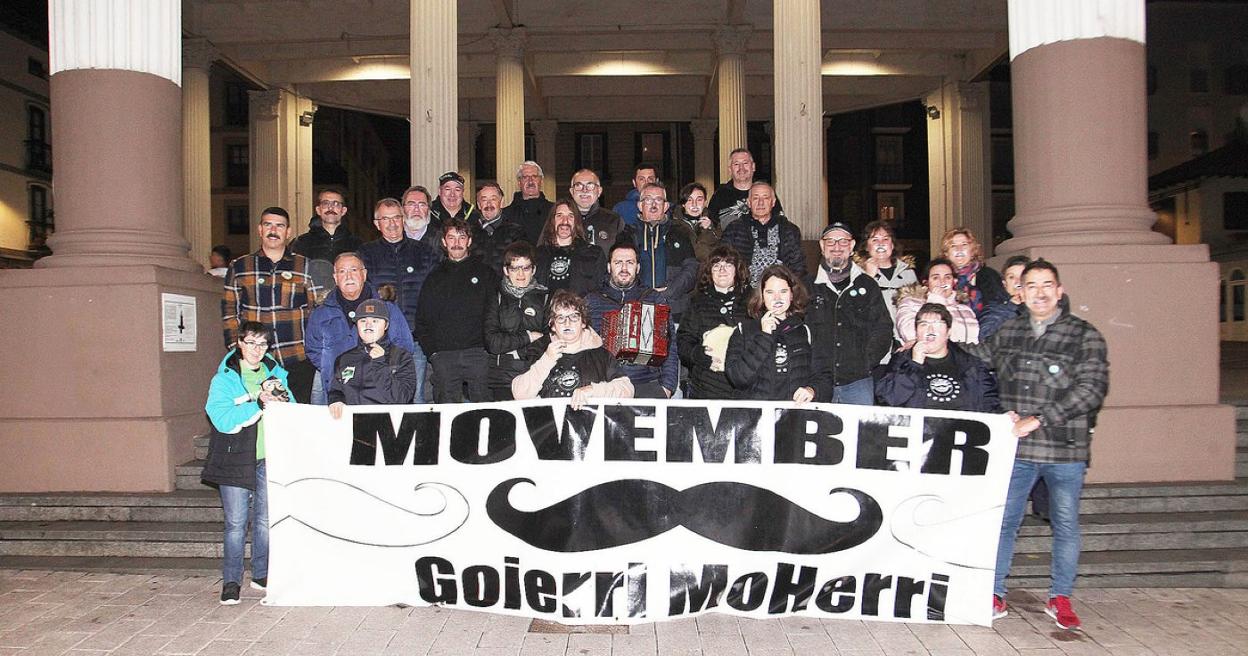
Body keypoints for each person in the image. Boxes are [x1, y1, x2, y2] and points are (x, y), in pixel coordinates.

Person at [967, 260, 1109, 630]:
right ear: (1020, 292)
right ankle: (994, 593)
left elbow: (1091, 390)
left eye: (1047, 285)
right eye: (1031, 285)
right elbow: (976, 361)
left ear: (1059, 291)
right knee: (1005, 522)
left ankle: (1060, 596)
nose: (1040, 292)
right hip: (1018, 451)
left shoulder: (1084, 334)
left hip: (1065, 449)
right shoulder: (1009, 332)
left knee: (1065, 523)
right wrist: (928, 343)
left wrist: (1040, 418)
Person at [202, 321, 291, 605]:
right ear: (239, 343)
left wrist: (285, 403)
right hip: (234, 457)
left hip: (269, 456)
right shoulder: (225, 379)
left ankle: (261, 574)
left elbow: (292, 409)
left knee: (265, 521)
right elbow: (221, 419)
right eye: (251, 342)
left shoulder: (276, 374)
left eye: (263, 344)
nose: (257, 349)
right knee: (236, 523)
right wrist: (257, 404)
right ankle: (231, 581)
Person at [222, 206, 320, 402]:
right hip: (256, 361)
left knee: (297, 421)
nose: (273, 230)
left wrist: (314, 351)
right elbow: (229, 313)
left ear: (288, 232)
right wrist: (238, 350)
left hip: (297, 360)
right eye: (268, 225)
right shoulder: (240, 266)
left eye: (280, 226)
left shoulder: (305, 266)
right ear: (260, 229)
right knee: (260, 420)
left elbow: (317, 311)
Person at [304, 252, 414, 405]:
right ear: (335, 277)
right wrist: (334, 368)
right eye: (342, 271)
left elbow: (404, 346)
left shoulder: (388, 309)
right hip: (337, 395)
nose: (348, 276)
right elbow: (313, 349)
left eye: (354, 270)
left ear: (364, 274)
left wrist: (377, 368)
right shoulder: (320, 313)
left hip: (381, 395)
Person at [358, 198, 439, 403]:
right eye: (386, 219)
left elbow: (434, 294)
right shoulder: (365, 254)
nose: (392, 223)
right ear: (377, 224)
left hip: (415, 339)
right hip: (379, 340)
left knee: (416, 396)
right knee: (378, 395)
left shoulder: (425, 252)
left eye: (396, 217)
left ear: (403, 220)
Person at [804, 222, 892, 404]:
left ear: (852, 246)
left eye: (843, 241)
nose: (837, 247)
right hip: (815, 385)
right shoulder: (806, 287)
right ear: (822, 246)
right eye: (831, 241)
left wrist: (863, 363)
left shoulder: (868, 286)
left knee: (859, 433)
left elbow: (883, 329)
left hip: (857, 384)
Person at [414, 219, 497, 403]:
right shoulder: (434, 278)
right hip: (444, 356)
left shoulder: (486, 273)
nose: (456, 242)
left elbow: (495, 314)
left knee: (484, 411)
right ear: (444, 242)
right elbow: (422, 320)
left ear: (469, 241)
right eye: (451, 237)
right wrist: (433, 353)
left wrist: (487, 349)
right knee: (446, 416)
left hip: (478, 354)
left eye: (461, 237)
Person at [587, 242, 680, 399]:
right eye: (618, 262)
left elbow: (670, 346)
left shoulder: (654, 298)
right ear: (609, 267)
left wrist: (667, 387)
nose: (624, 268)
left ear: (637, 268)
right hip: (605, 386)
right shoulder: (591, 301)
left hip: (647, 384)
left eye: (630, 263)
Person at [511, 290, 634, 406]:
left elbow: (627, 390)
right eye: (560, 318)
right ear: (552, 325)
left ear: (583, 322)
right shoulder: (538, 350)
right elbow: (519, 394)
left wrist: (593, 390)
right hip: (550, 426)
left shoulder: (601, 354)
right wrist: (546, 360)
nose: (567, 323)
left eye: (574, 317)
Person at [876, 303, 1001, 411]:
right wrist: (914, 365)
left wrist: (1004, 416)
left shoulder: (971, 365)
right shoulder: (901, 360)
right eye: (923, 324)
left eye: (937, 324)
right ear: (916, 332)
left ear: (948, 332)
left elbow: (990, 402)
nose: (930, 329)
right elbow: (888, 399)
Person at [725, 265, 819, 403]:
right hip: (754, 419)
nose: (777, 298)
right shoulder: (743, 330)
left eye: (783, 291)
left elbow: (823, 374)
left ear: (792, 295)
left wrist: (812, 390)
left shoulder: (805, 331)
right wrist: (764, 336)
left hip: (793, 417)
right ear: (762, 296)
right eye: (770, 292)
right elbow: (737, 378)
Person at [678, 245, 751, 399]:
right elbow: (683, 342)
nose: (722, 270)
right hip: (706, 387)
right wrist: (697, 355)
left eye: (728, 265)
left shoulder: (753, 301)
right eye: (716, 265)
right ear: (709, 272)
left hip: (746, 388)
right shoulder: (697, 303)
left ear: (737, 270)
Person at [327, 299, 418, 418]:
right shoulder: (344, 359)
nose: (368, 325)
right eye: (363, 320)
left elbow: (402, 398)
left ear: (386, 325)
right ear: (356, 325)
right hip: (353, 429)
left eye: (375, 320)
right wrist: (336, 400)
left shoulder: (401, 357)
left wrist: (379, 364)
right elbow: (336, 390)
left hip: (389, 429)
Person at [484, 242, 550, 401]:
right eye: (515, 268)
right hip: (503, 379)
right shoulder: (495, 297)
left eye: (526, 268)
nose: (521, 274)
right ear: (506, 270)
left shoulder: (546, 297)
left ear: (533, 269)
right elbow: (492, 342)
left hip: (537, 375)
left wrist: (517, 351)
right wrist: (528, 337)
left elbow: (549, 339)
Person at [631, 182, 698, 320]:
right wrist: (644, 294)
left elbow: (691, 269)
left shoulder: (680, 233)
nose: (653, 204)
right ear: (639, 205)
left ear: (666, 206)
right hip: (638, 309)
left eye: (659, 200)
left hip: (675, 310)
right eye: (648, 199)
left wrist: (669, 292)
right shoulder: (628, 234)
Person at [721, 181, 806, 286]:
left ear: (773, 202)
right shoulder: (734, 228)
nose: (761, 203)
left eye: (765, 198)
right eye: (756, 198)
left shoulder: (789, 229)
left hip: (780, 290)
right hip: (744, 290)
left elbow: (798, 266)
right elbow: (723, 260)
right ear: (748, 202)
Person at [894, 258, 980, 345]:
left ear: (954, 281)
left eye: (947, 277)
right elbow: (910, 334)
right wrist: (935, 303)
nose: (942, 282)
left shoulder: (964, 309)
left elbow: (974, 339)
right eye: (935, 278)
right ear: (926, 282)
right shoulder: (910, 303)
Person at [534, 199, 606, 295]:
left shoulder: (594, 254)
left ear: (576, 222)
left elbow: (600, 290)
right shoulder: (538, 254)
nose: (565, 221)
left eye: (570, 216)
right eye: (559, 215)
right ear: (552, 221)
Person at [706, 148, 784, 230]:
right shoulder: (720, 195)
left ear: (753, 167)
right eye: (736, 164)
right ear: (730, 169)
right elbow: (710, 229)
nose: (741, 168)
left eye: (745, 163)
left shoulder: (766, 192)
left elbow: (780, 224)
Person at [942, 228, 1007, 320]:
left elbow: (996, 307)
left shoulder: (988, 276)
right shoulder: (940, 279)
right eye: (953, 245)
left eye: (964, 244)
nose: (959, 249)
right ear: (946, 253)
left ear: (972, 251)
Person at [859, 220, 917, 321]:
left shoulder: (908, 273)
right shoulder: (857, 275)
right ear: (867, 247)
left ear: (892, 245)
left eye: (886, 239)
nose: (881, 244)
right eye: (875, 240)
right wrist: (868, 278)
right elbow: (856, 308)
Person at [290, 186, 363, 265]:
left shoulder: (357, 245)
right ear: (318, 210)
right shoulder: (301, 243)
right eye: (325, 203)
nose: (330, 208)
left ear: (343, 211)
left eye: (336, 204)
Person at [569, 169, 628, 255]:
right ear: (572, 191)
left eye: (590, 186)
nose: (584, 190)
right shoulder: (561, 220)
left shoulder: (614, 221)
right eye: (578, 185)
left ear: (599, 191)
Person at [471, 182, 526, 272]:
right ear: (478, 204)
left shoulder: (516, 232)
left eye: (493, 199)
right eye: (484, 200)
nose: (489, 204)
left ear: (501, 202)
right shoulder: (469, 232)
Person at [501, 161, 554, 244]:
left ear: (541, 181)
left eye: (534, 176)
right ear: (519, 182)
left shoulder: (554, 211)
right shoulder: (506, 215)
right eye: (525, 177)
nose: (530, 181)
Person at [979, 255, 1030, 340]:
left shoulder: (1043, 305)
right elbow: (986, 336)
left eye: (1022, 276)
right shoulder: (995, 309)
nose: (1018, 281)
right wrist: (1010, 307)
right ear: (1004, 284)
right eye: (1011, 277)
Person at [674, 182, 720, 262]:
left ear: (705, 202)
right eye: (689, 200)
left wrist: (708, 229)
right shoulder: (674, 225)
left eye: (699, 200)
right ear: (683, 204)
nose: (694, 204)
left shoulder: (715, 223)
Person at [401, 185, 443, 257]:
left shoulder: (441, 240)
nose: (416, 209)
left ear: (429, 210)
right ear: (402, 209)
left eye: (422, 205)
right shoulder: (392, 237)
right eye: (411, 204)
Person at [612, 162, 658, 228]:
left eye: (650, 179)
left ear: (656, 181)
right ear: (634, 183)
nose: (646, 183)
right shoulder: (621, 209)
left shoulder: (668, 209)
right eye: (642, 179)